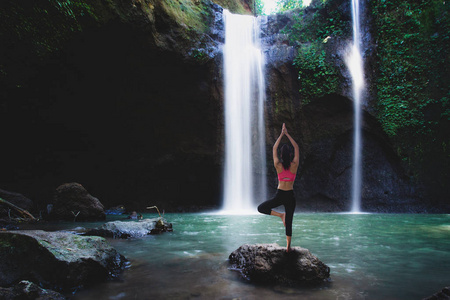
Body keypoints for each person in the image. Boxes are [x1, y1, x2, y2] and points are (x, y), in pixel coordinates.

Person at [258, 123, 299, 252]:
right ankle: (288, 247)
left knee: (261, 208)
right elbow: (296, 147)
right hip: (290, 196)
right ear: (290, 155)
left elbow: (274, 148)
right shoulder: (295, 165)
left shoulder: (277, 164)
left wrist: (281, 134)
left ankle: (280, 216)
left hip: (280, 194)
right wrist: (287, 134)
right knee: (289, 222)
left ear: (281, 155)